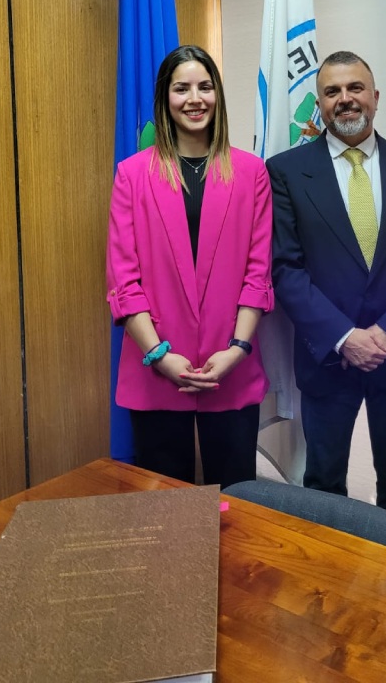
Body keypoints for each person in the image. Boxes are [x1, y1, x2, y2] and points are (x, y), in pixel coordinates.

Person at [266, 50, 386, 538]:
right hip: (328, 359)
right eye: (332, 91)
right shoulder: (285, 171)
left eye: (355, 88)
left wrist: (385, 335)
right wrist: (345, 337)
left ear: (375, 97)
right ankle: (328, 578)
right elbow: (285, 268)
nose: (345, 99)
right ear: (320, 104)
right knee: (323, 484)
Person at [106, 44, 273, 488]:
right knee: (166, 510)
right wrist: (160, 356)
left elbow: (258, 275)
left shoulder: (251, 173)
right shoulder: (132, 175)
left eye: (205, 87)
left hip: (230, 366)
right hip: (157, 369)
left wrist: (237, 349)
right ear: (166, 98)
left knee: (238, 503)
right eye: (182, 88)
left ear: (218, 95)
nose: (195, 99)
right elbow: (124, 281)